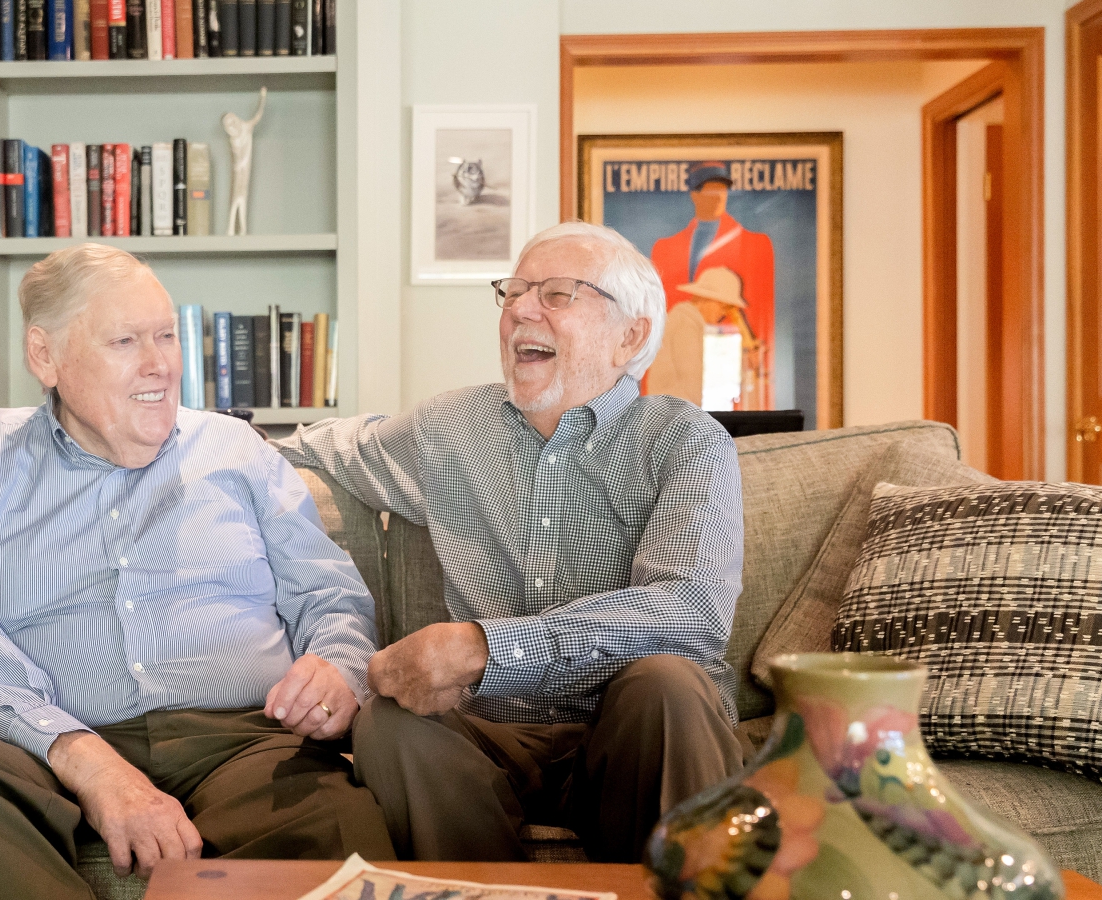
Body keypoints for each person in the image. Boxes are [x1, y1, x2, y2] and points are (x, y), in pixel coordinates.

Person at [0, 243, 394, 900]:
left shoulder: (237, 452)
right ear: (45, 356)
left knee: (336, 826)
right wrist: (81, 758)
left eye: (167, 336)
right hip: (53, 745)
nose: (160, 365)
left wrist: (337, 671)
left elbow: (330, 596)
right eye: (125, 341)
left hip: (244, 741)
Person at [273, 221, 744, 864]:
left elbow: (693, 611)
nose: (521, 309)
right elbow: (320, 447)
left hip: (629, 732)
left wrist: (484, 647)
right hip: (488, 736)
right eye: (514, 292)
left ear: (629, 335)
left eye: (556, 294)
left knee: (667, 686)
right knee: (388, 722)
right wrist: (192, 439)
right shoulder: (449, 428)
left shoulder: (686, 440)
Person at [648, 161, 774, 350]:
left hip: (727, 356)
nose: (718, 198)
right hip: (675, 351)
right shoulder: (664, 249)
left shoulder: (754, 244)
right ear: (694, 195)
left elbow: (761, 316)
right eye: (710, 190)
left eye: (722, 190)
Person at [646, 266, 764, 409]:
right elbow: (696, 383)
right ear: (707, 299)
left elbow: (705, 372)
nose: (724, 314)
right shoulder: (685, 323)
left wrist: (745, 363)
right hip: (677, 417)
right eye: (724, 306)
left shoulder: (691, 323)